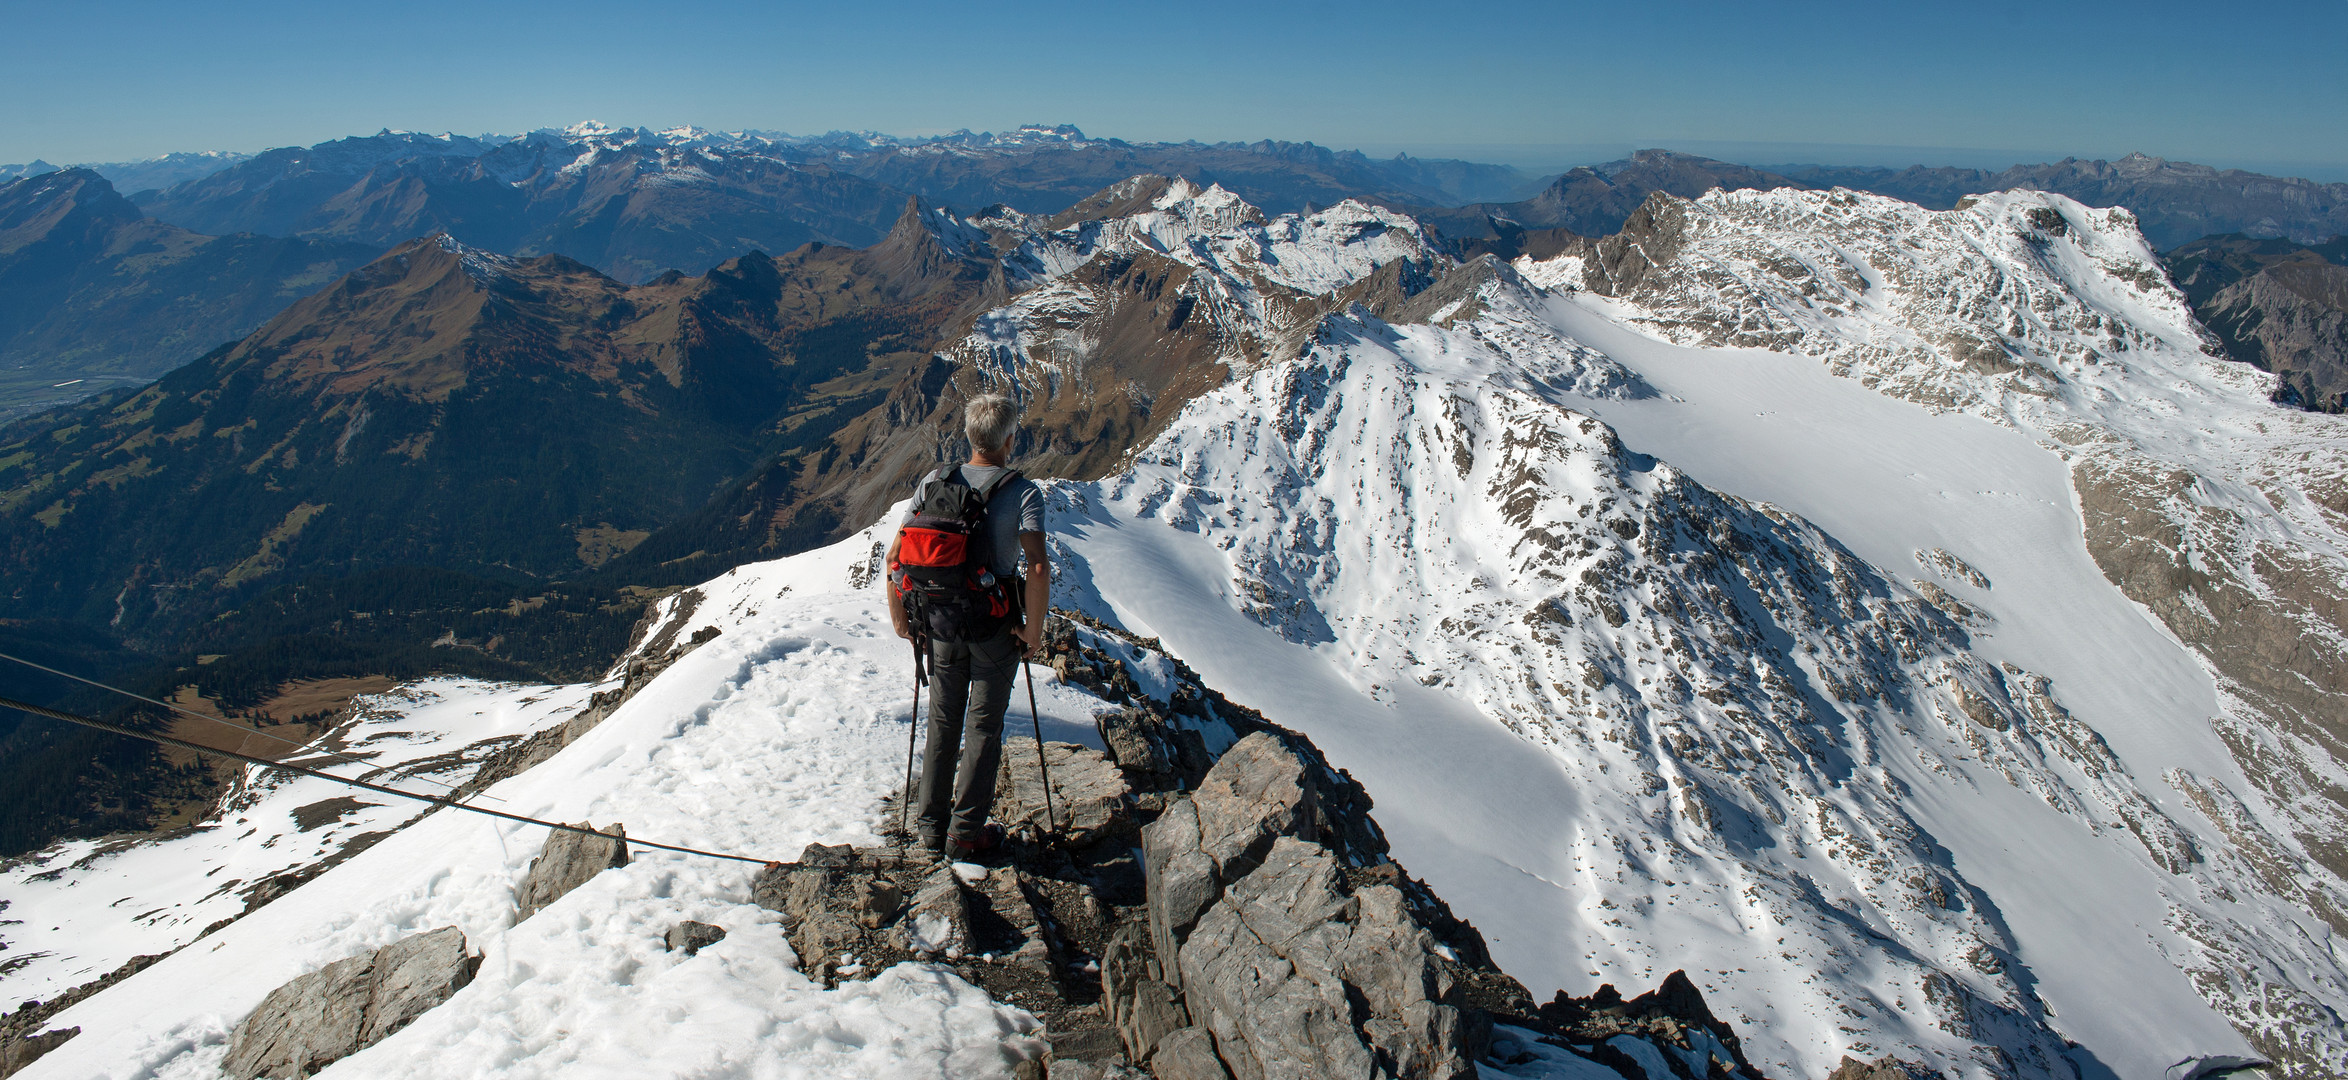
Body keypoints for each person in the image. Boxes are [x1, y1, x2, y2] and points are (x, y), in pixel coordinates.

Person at [886, 393, 1049, 859]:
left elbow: (897, 557)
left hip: (938, 625)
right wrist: (1032, 631)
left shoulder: (934, 482)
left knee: (942, 719)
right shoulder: (1023, 493)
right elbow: (1036, 567)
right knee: (982, 727)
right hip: (994, 629)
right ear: (1010, 440)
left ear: (969, 436)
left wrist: (904, 618)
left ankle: (931, 828)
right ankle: (965, 834)